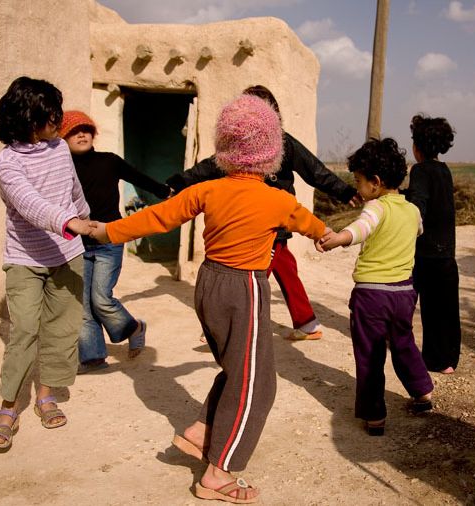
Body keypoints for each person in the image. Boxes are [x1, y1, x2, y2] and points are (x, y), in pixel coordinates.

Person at [91, 95, 328, 503]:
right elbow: (315, 228)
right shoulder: (279, 200)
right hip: (245, 287)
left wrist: (106, 231)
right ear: (273, 150)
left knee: (236, 367)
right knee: (258, 383)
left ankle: (202, 432)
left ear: (225, 147)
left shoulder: (207, 190)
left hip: (208, 285)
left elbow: (156, 216)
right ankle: (219, 473)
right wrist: (332, 236)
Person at [165, 85, 360, 341]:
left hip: (273, 221)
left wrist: (345, 192)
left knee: (252, 276)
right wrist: (179, 181)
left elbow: (315, 171)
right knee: (285, 268)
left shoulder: (284, 142)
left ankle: (229, 327)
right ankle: (308, 324)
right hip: (251, 218)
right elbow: (208, 168)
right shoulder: (240, 144)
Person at [0, 77, 94, 451]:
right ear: (28, 117)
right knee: (25, 330)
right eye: (50, 115)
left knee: (62, 330)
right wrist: (68, 222)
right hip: (25, 258)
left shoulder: (60, 148)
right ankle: (8, 408)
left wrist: (85, 218)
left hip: (67, 254)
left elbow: (71, 189)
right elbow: (29, 203)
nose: (57, 121)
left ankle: (46, 395)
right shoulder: (7, 162)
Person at [319, 138, 434, 436]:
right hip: (404, 294)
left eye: (358, 181)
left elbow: (361, 229)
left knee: (369, 354)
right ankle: (422, 391)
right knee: (403, 342)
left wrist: (337, 239)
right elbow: (418, 231)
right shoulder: (412, 211)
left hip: (371, 296)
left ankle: (374, 415)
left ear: (376, 182)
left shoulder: (375, 207)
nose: (356, 187)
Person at [59, 111, 171, 373]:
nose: (82, 134)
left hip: (109, 238)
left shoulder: (108, 161)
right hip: (77, 243)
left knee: (100, 297)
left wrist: (166, 192)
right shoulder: (62, 169)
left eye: (86, 129)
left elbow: (138, 178)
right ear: (62, 138)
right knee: (83, 304)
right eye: (74, 131)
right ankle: (94, 357)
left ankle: (134, 327)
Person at [404, 114, 461, 374]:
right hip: (447, 251)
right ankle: (447, 360)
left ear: (417, 147)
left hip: (425, 251)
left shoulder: (419, 170)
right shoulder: (444, 170)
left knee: (425, 306)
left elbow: (418, 206)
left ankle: (429, 358)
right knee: (447, 308)